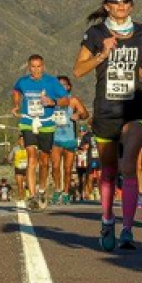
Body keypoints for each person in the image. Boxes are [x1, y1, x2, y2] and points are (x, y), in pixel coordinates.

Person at [73, 0, 142, 251]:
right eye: (115, 0)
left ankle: (128, 230)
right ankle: (108, 219)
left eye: (126, 0)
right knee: (109, 172)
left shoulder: (141, 31)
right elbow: (78, 71)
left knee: (128, 167)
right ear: (107, 5)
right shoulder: (95, 33)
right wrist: (102, 54)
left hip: (133, 108)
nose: (121, 5)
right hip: (107, 111)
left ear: (131, 5)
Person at [11, 54, 71, 211]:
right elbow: (16, 91)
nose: (36, 70)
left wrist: (53, 102)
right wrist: (16, 105)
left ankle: (42, 190)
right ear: (28, 67)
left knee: (44, 161)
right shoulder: (23, 82)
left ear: (43, 67)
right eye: (33, 67)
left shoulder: (52, 82)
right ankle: (32, 196)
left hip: (46, 124)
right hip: (27, 122)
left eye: (39, 67)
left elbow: (66, 100)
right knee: (32, 157)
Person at [50, 75, 90, 205]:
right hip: (55, 138)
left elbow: (86, 114)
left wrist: (78, 115)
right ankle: (57, 190)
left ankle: (66, 193)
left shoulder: (73, 100)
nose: (61, 87)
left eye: (64, 84)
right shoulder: (51, 100)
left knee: (67, 169)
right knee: (55, 167)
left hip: (69, 139)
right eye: (58, 84)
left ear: (68, 87)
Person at [8, 136, 29, 202]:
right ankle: (21, 198)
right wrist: (10, 160)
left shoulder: (28, 148)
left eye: (23, 140)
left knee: (27, 184)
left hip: (27, 169)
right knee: (19, 185)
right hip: (18, 169)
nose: (22, 142)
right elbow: (9, 158)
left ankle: (28, 196)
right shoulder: (15, 149)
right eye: (21, 140)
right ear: (18, 141)